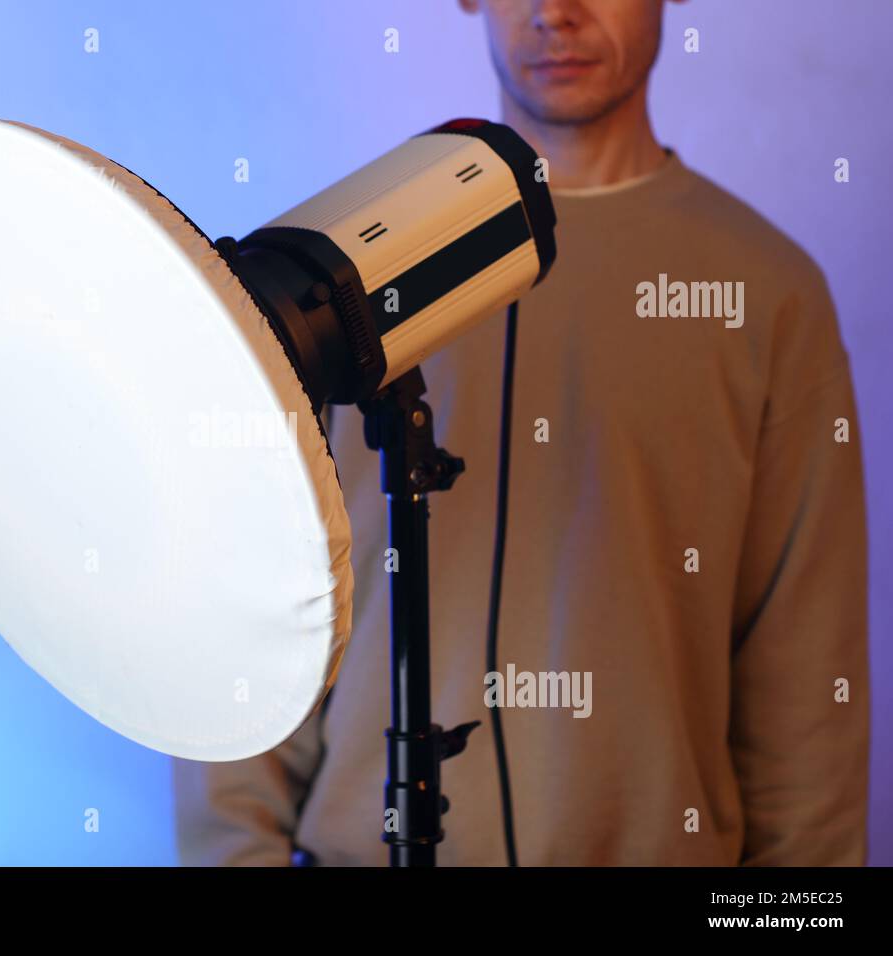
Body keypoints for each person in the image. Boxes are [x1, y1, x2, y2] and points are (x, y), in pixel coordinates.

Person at [172, 0, 869, 865]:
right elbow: (246, 611)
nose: (556, 14)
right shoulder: (320, 287)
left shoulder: (768, 294)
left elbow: (808, 681)